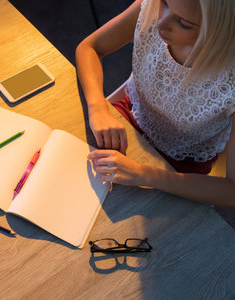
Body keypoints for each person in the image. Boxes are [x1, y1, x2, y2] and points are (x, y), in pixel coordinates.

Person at [75, 0, 234, 206]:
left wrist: (144, 174)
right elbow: (90, 48)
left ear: (222, 32)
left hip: (179, 166)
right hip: (128, 115)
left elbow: (231, 191)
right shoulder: (151, 5)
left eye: (184, 24)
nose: (160, 24)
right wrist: (97, 107)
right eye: (165, 3)